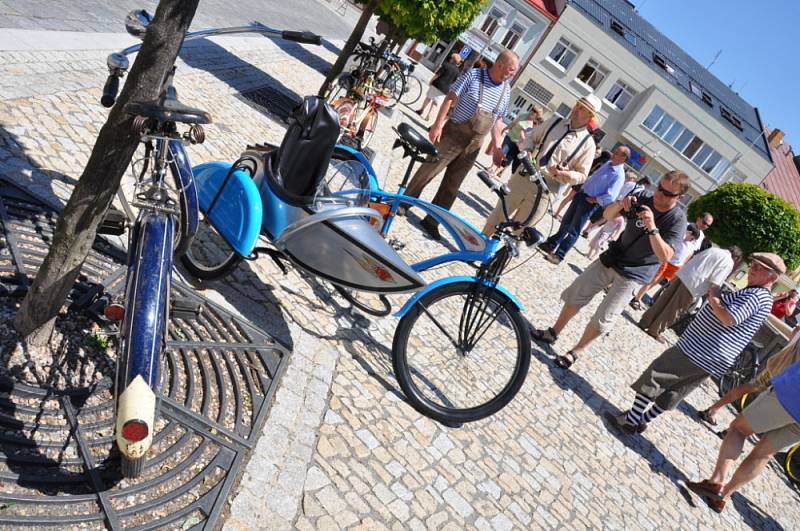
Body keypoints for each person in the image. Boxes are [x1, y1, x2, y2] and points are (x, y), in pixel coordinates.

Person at [607, 252, 782, 435]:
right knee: (675, 390)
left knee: (656, 374)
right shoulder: (760, 295)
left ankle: (630, 421)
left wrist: (714, 296)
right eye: (753, 264)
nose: (752, 269)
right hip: (712, 355)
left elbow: (728, 318)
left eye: (760, 268)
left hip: (700, 350)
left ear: (773, 276)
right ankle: (641, 420)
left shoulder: (756, 295)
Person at [530, 170, 689, 369]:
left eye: (668, 194)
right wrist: (621, 203)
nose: (660, 195)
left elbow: (665, 255)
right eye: (660, 188)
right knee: (578, 292)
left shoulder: (677, 220)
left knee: (604, 316)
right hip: (614, 257)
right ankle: (554, 331)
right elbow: (607, 215)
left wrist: (652, 226)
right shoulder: (643, 197)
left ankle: (575, 351)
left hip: (636, 272)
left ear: (680, 197)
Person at [403, 50, 518, 241]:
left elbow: (497, 121)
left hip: (474, 146)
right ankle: (403, 204)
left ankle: (432, 221)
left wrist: (497, 147)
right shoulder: (474, 75)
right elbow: (450, 98)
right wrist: (437, 125)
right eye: (512, 70)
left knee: (452, 186)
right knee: (428, 171)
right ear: (500, 65)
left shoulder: (506, 90)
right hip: (453, 134)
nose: (513, 74)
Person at [686, 357, 800, 513]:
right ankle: (724, 496)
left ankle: (716, 482)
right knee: (765, 454)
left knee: (738, 430)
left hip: (791, 393)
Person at [481, 95, 599, 236]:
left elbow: (582, 176)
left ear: (590, 115)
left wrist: (566, 174)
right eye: (577, 104)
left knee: (519, 231)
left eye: (582, 108)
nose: (576, 109)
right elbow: (531, 137)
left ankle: (499, 257)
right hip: (525, 175)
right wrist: (529, 150)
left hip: (547, 190)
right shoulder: (555, 122)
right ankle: (475, 250)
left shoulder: (588, 144)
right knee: (497, 217)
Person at [538, 145, 630, 264]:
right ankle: (551, 244)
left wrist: (595, 200)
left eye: (617, 152)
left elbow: (611, 195)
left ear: (623, 158)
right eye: (615, 151)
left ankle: (559, 255)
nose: (613, 153)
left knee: (574, 229)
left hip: (590, 202)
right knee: (566, 221)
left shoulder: (619, 175)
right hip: (582, 194)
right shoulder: (608, 164)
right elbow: (594, 177)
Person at [698, 324, 800, 426]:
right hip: (786, 375)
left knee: (750, 388)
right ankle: (732, 429)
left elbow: (794, 332)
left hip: (778, 366)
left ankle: (714, 411)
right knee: (762, 400)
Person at [638, 245, 742, 342]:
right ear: (736, 258)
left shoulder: (714, 249)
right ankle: (655, 330)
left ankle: (645, 321)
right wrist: (713, 297)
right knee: (673, 309)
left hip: (683, 274)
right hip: (694, 285)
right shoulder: (729, 262)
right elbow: (716, 281)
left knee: (664, 300)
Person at [628, 224, 701, 316]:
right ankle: (636, 299)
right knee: (653, 280)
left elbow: (687, 256)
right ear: (690, 233)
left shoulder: (690, 245)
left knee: (655, 282)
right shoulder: (679, 237)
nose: (692, 240)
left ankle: (638, 296)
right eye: (692, 238)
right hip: (667, 261)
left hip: (675, 265)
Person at [553, 147, 611, 219]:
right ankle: (559, 214)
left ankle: (557, 212)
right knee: (573, 200)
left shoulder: (594, 160)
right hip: (586, 182)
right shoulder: (602, 165)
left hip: (581, 179)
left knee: (569, 198)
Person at [486, 106, 544, 177]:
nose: (532, 111)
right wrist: (505, 128)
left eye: (535, 111)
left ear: (538, 114)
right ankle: (492, 168)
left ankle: (498, 172)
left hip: (518, 144)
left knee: (508, 159)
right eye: (532, 109)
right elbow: (513, 123)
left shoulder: (536, 124)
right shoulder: (523, 115)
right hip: (510, 136)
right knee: (502, 152)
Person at [416, 53, 461, 121]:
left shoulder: (446, 65)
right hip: (445, 89)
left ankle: (421, 110)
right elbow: (454, 81)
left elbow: (438, 74)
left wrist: (431, 80)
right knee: (435, 102)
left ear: (452, 59)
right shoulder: (457, 71)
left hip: (437, 84)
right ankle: (429, 115)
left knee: (428, 98)